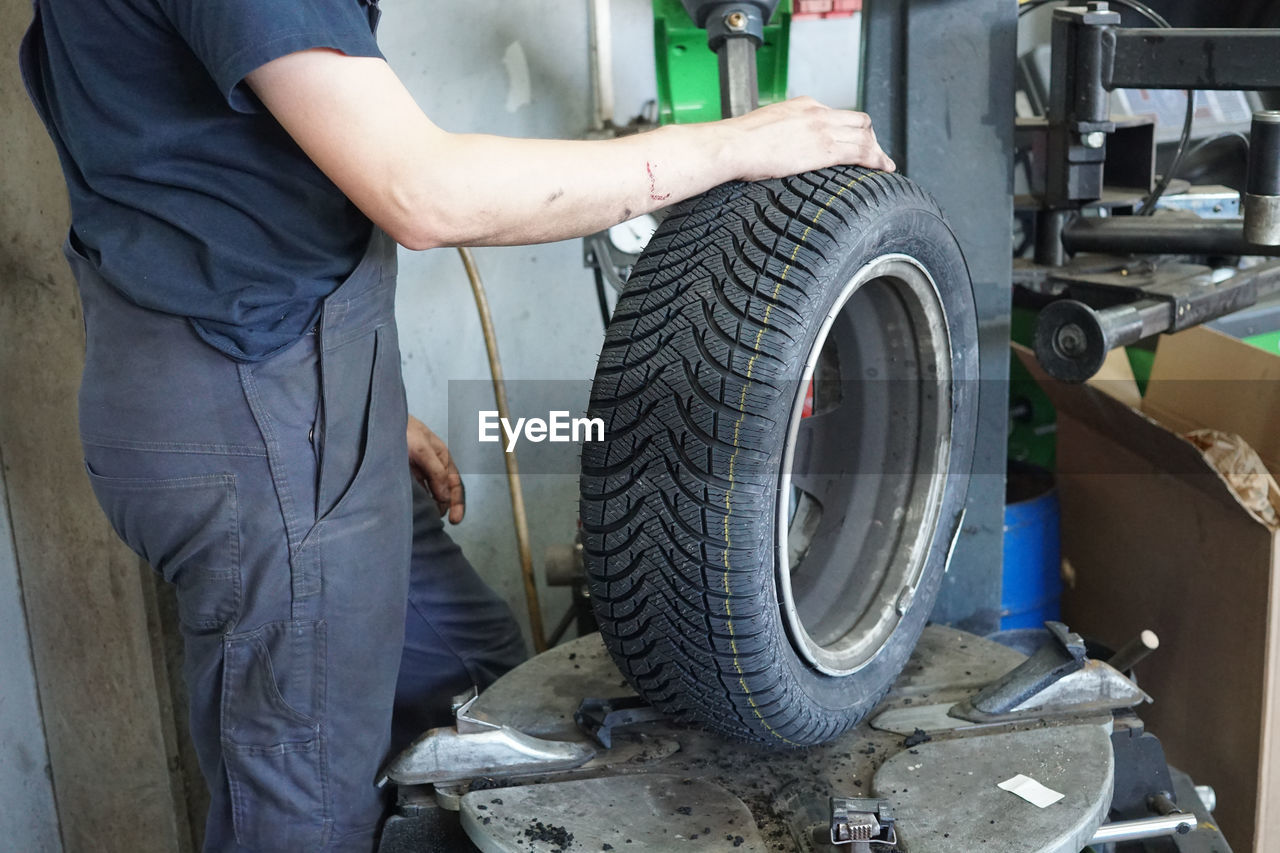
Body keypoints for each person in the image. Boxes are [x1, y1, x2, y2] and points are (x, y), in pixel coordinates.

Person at [18, 0, 895, 850]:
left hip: (286, 388)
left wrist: (356, 393)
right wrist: (733, 145)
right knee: (302, 815)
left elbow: (200, 177)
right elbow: (422, 191)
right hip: (255, 414)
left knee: (476, 690)